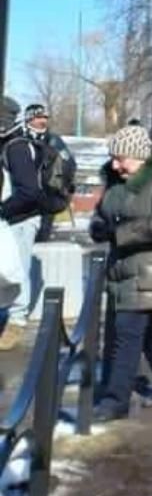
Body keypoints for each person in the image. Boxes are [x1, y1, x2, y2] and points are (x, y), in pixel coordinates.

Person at [90, 125, 152, 422]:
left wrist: (120, 233)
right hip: (123, 266)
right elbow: (103, 210)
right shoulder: (115, 179)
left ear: (140, 157)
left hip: (151, 268)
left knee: (127, 330)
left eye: (121, 158)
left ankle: (115, 400)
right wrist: (98, 225)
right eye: (113, 157)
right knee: (147, 331)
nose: (114, 164)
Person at [0, 97, 45, 349]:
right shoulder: (8, 143)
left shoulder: (16, 147)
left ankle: (17, 322)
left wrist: (2, 210)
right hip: (9, 218)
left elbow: (29, 191)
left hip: (21, 218)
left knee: (17, 269)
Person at [23, 104, 76, 242]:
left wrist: (63, 186)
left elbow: (70, 163)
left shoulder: (54, 141)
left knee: (40, 240)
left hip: (47, 197)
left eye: (45, 117)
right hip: (22, 199)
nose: (43, 120)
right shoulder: (18, 139)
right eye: (39, 117)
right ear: (29, 119)